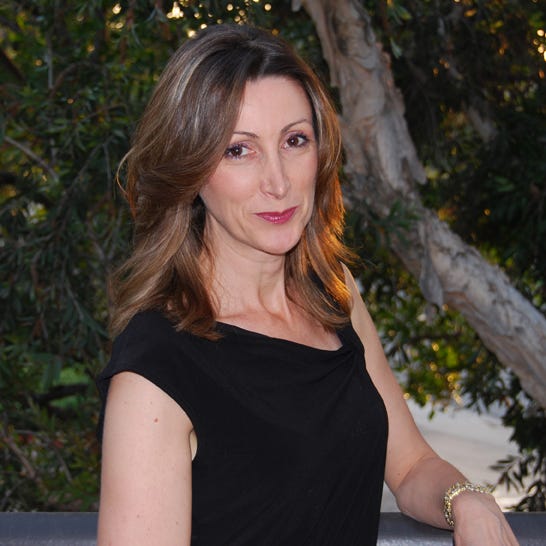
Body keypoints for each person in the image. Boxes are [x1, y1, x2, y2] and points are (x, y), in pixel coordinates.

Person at [96, 23, 519, 546]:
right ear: (190, 168)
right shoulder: (157, 367)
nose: (278, 181)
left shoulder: (332, 294)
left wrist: (466, 500)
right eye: (238, 150)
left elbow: (410, 468)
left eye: (294, 141)